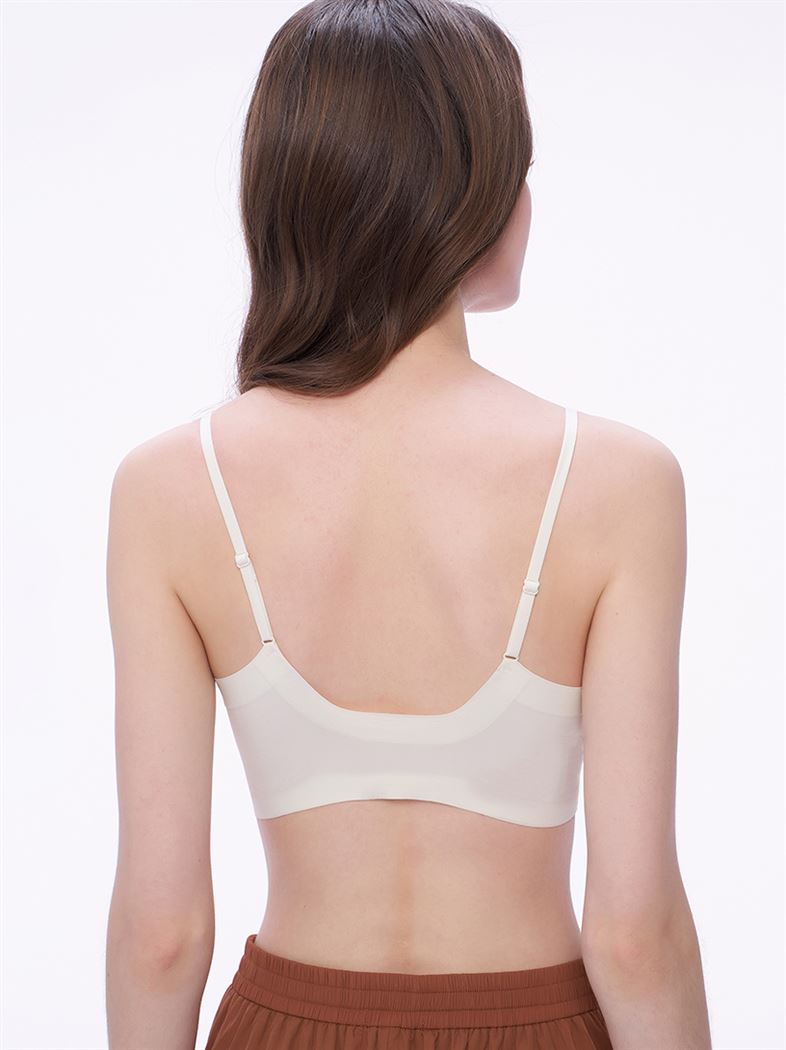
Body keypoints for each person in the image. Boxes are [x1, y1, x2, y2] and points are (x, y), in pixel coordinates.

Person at [104, 1, 712, 1047]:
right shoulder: (618, 483)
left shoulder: (168, 487)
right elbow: (634, 935)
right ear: (460, 197)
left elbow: (161, 935)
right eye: (515, 168)